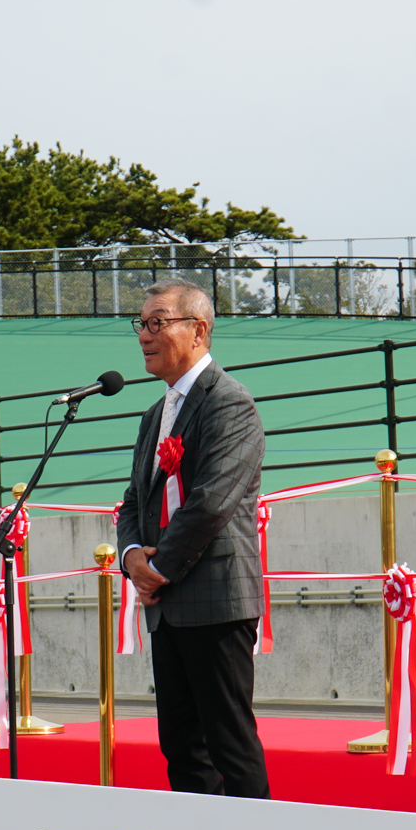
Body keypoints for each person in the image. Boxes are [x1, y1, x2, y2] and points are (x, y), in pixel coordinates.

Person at [115, 280, 270, 799]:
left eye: (157, 322)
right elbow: (134, 499)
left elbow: (212, 501)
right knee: (180, 746)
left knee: (229, 744)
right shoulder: (156, 414)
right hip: (168, 600)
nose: (144, 335)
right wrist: (131, 555)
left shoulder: (229, 403)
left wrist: (156, 571)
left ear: (198, 329)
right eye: (141, 323)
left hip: (215, 597)